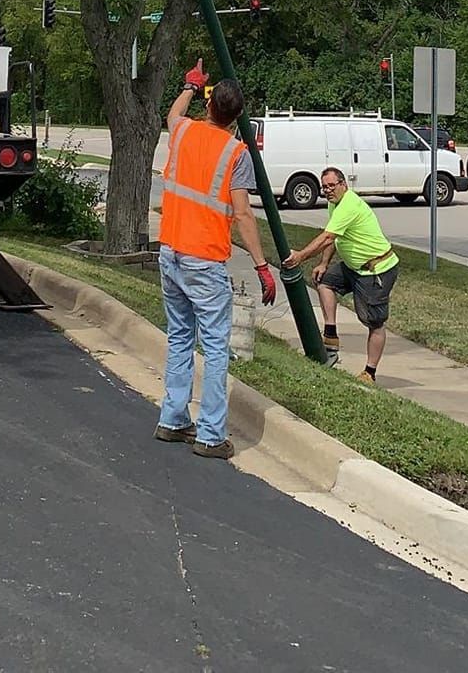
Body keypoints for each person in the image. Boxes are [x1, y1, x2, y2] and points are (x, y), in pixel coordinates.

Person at [154, 62, 276, 460]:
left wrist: (190, 84)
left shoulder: (184, 130)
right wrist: (261, 266)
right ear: (237, 117)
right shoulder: (236, 153)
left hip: (169, 250)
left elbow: (172, 115)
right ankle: (209, 434)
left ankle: (172, 420)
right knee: (215, 346)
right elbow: (242, 214)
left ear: (208, 106)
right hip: (203, 260)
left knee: (179, 337)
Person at [282, 166, 399, 383]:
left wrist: (300, 257)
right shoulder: (334, 203)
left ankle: (369, 373)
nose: (327, 190)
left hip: (376, 270)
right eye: (324, 187)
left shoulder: (349, 205)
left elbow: (327, 237)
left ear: (343, 184)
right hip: (353, 267)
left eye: (331, 186)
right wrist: (324, 263)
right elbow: (335, 237)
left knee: (374, 322)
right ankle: (331, 335)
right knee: (324, 281)